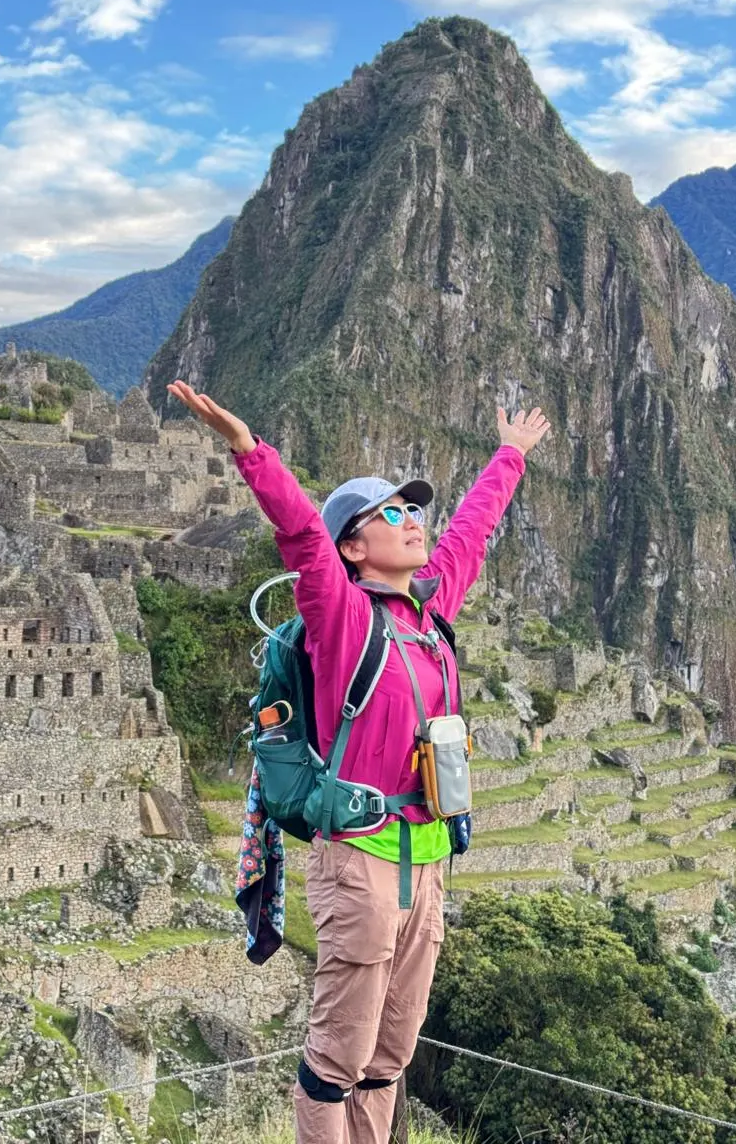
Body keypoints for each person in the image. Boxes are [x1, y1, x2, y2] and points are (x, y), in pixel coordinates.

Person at [167, 379, 550, 1144]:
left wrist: (509, 457)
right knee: (338, 1056)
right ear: (355, 545)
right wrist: (250, 452)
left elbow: (470, 535)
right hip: (362, 864)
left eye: (414, 512)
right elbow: (303, 536)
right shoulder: (341, 621)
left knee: (390, 1055)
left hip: (430, 862)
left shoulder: (431, 617)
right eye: (393, 515)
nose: (414, 524)